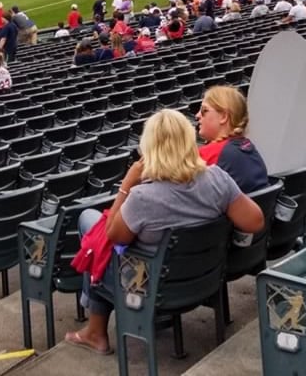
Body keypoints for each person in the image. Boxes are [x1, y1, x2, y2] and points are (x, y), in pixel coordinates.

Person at [63, 108, 265, 354]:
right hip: (203, 279)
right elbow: (255, 221)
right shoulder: (218, 179)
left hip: (149, 286)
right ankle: (95, 330)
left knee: (90, 224)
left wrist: (126, 185)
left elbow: (113, 235)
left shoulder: (142, 197)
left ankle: (95, 332)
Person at [197, 86, 269, 193]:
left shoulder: (208, 154)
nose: (197, 115)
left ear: (224, 117)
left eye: (204, 110)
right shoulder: (249, 147)